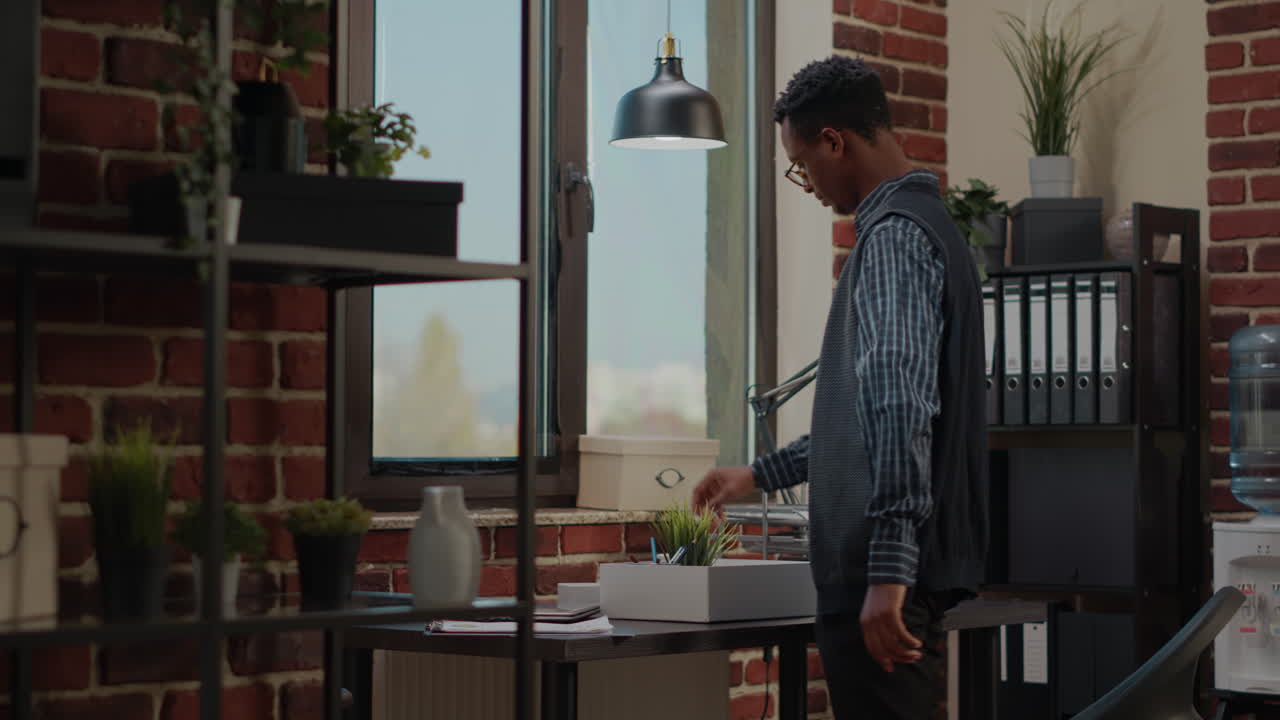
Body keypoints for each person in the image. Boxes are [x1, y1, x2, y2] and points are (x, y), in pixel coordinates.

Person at [692, 55, 989, 720]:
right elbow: (860, 415)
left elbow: (899, 404)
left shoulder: (892, 240)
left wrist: (887, 572)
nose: (807, 184)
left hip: (879, 574)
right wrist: (760, 473)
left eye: (802, 165)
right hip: (901, 567)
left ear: (835, 141)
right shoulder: (932, 228)